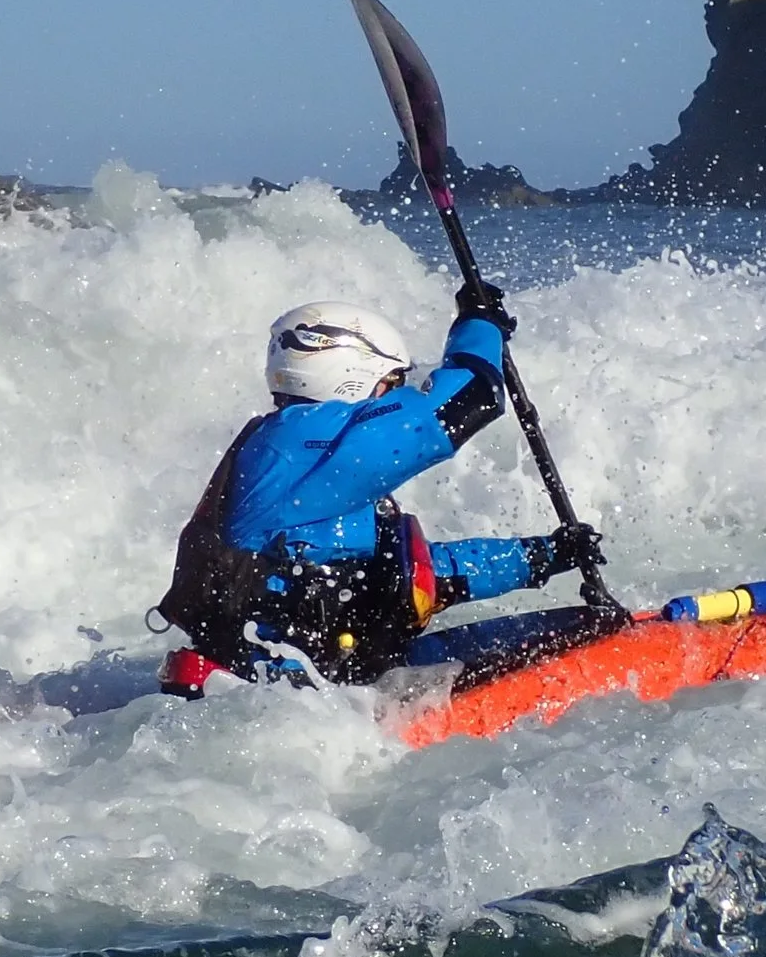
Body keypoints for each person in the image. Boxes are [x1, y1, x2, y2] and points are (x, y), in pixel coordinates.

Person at [155, 285, 603, 692]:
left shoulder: (303, 461)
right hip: (277, 691)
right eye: (392, 385)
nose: (394, 399)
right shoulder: (306, 439)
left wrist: (541, 556)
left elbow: (409, 574)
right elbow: (471, 398)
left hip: (306, 684)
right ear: (350, 375)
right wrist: (479, 324)